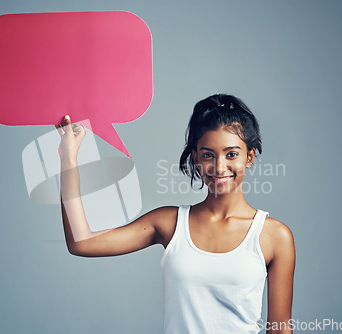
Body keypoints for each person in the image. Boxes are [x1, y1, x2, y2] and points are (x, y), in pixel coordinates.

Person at [56, 94, 295, 334]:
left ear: (249, 157)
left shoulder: (274, 236)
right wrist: (68, 157)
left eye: (231, 154)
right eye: (208, 154)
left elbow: (280, 330)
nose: (219, 167)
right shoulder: (169, 223)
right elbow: (81, 242)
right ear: (196, 157)